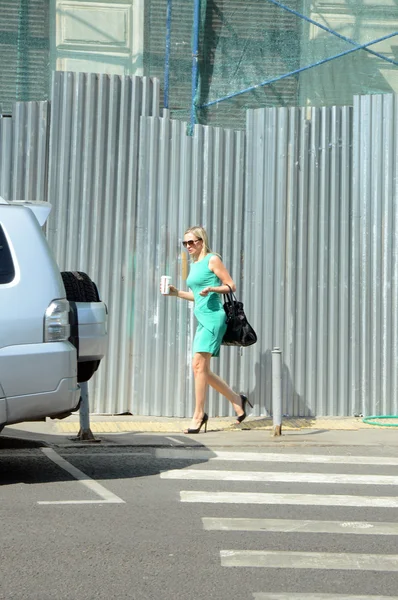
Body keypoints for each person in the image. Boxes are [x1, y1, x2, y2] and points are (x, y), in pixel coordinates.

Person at [162, 225, 252, 434]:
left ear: (201, 241)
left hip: (214, 319)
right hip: (202, 319)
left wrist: (213, 288)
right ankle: (237, 400)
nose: (188, 246)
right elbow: (197, 295)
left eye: (191, 242)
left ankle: (199, 414)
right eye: (185, 243)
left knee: (198, 367)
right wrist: (177, 293)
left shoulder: (212, 259)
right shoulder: (194, 264)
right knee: (201, 369)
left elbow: (231, 285)